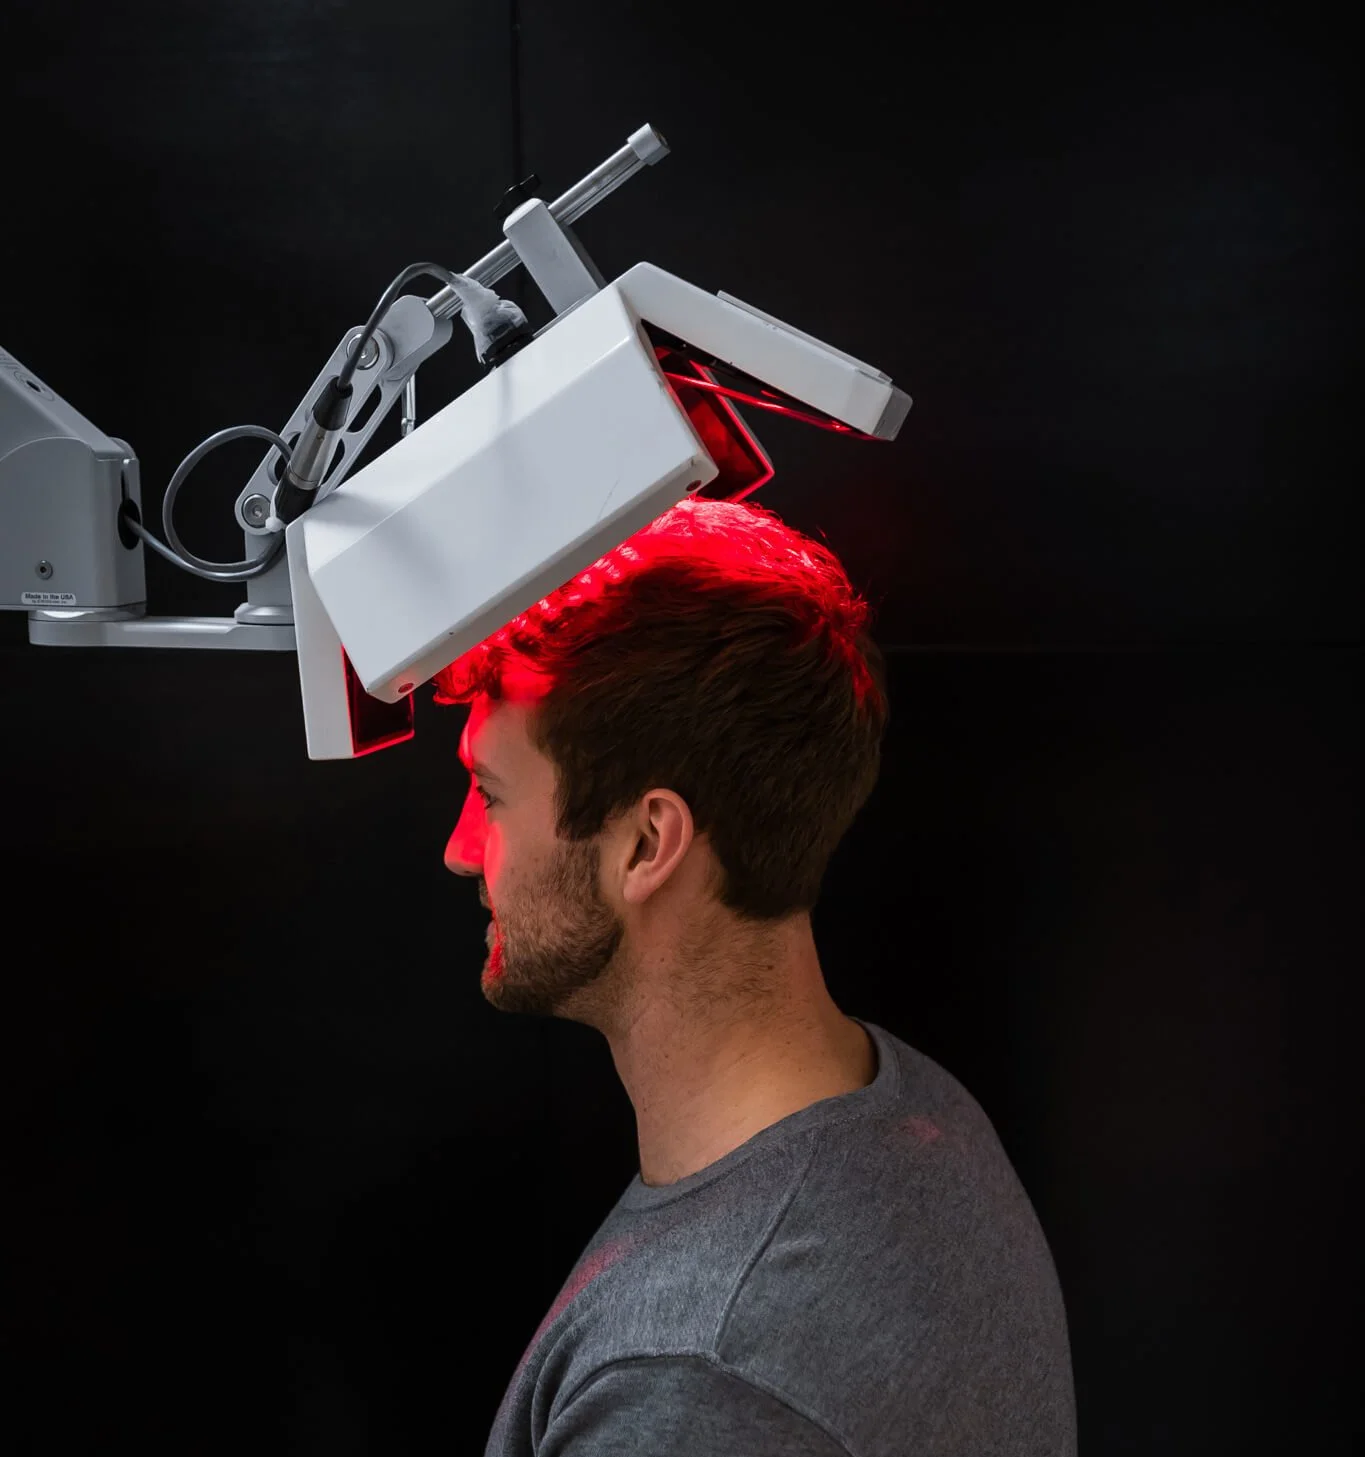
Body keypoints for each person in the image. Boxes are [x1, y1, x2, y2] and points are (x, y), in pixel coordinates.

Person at [437, 497, 1076, 1455]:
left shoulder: (697, 1383)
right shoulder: (910, 1114)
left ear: (647, 841)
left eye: (490, 795)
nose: (458, 849)